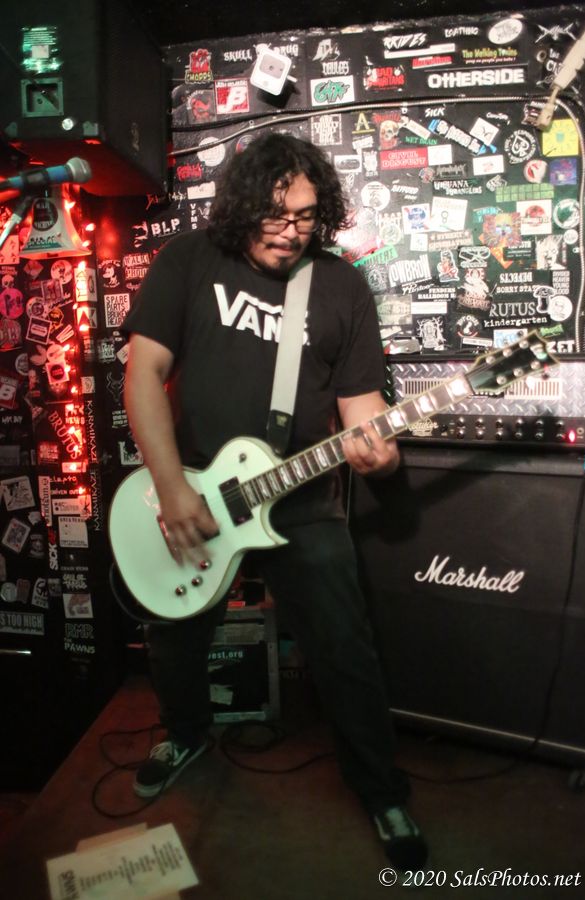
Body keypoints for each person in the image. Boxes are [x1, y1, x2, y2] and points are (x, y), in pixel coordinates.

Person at [121, 132, 428, 873]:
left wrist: (381, 451)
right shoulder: (190, 260)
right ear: (243, 203)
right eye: (277, 214)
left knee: (345, 646)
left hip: (300, 498)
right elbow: (143, 373)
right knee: (175, 633)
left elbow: (363, 410)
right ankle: (186, 733)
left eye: (306, 217)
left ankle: (381, 790)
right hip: (194, 487)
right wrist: (171, 488)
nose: (292, 231)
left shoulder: (341, 286)